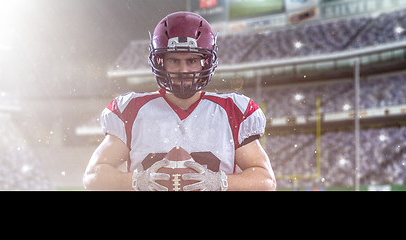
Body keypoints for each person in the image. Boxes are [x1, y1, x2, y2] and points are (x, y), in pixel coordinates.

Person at [83, 11, 275, 191]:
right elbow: (93, 175)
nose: (183, 70)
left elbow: (266, 180)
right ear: (161, 61)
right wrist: (137, 180)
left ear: (205, 62)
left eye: (191, 60)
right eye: (174, 60)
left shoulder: (233, 111)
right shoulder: (131, 110)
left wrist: (219, 181)